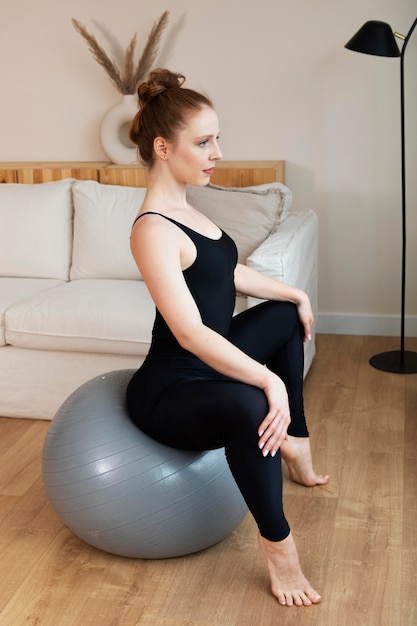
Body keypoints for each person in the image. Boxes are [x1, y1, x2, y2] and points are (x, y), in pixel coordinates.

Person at [126, 68, 329, 607]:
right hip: (171, 391)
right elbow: (190, 333)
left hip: (210, 368)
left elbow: (228, 274)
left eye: (217, 137)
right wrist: (268, 379)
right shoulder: (152, 229)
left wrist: (294, 293)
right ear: (164, 147)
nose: (217, 151)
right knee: (251, 401)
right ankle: (279, 548)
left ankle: (296, 444)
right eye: (203, 141)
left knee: (284, 315)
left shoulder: (191, 207)